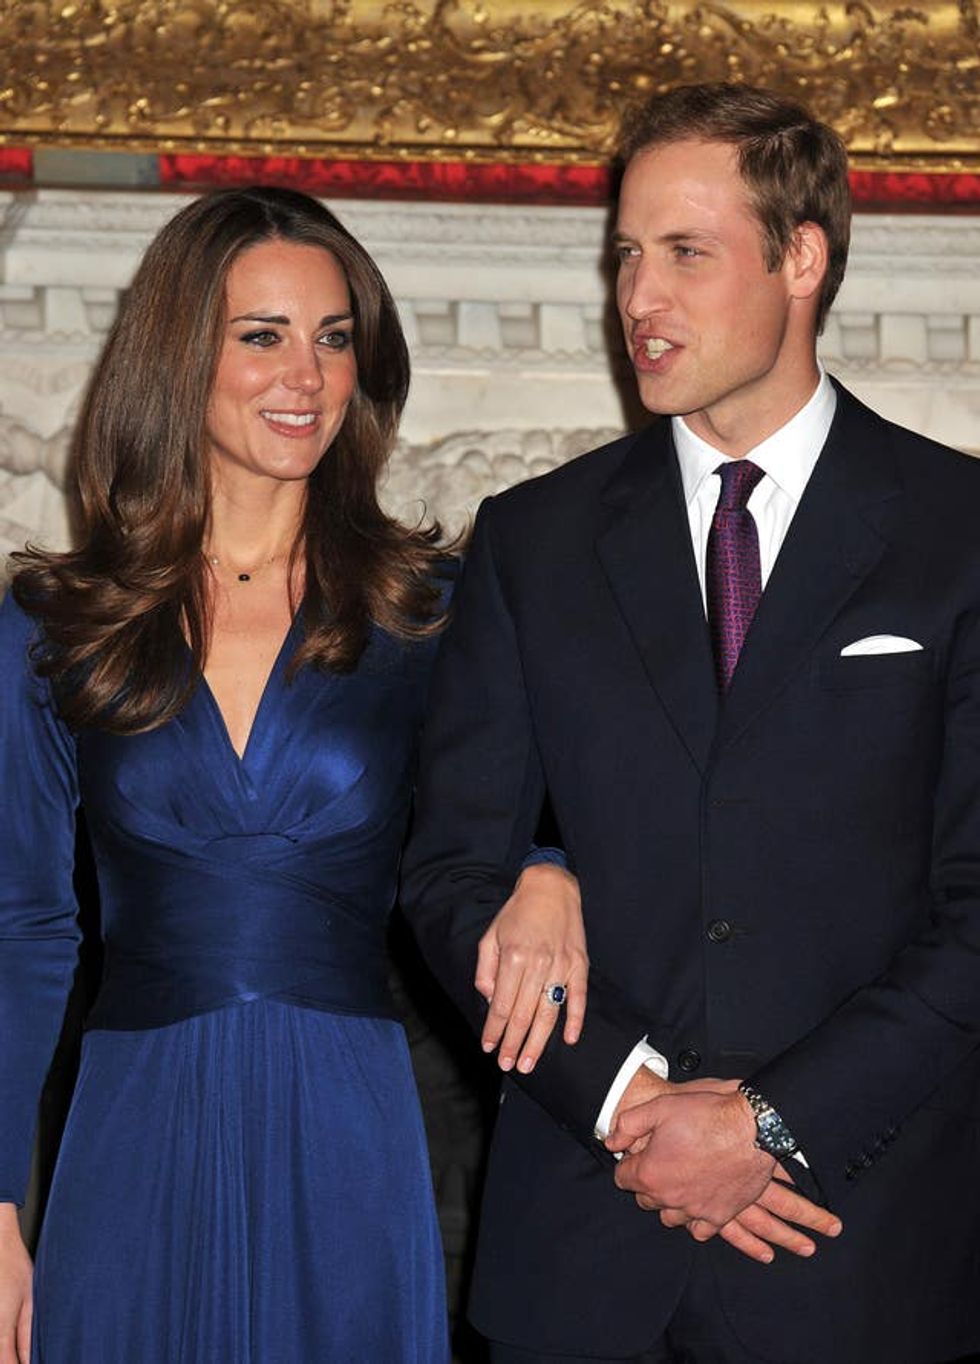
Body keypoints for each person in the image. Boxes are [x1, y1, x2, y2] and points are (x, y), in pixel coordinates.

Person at [402, 81, 980, 1364]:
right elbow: (448, 874)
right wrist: (628, 1101)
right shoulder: (530, 543)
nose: (638, 300)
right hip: (581, 1252)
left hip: (857, 1250)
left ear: (800, 258)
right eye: (624, 256)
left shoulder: (957, 533)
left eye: (682, 252)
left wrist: (766, 1124)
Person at [0, 184, 586, 1363]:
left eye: (332, 339)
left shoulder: (431, 612)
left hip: (346, 1120)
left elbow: (544, 803)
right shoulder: (54, 624)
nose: (305, 377)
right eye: (260, 335)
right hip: (134, 1123)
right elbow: (22, 926)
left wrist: (549, 866)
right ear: (179, 354)